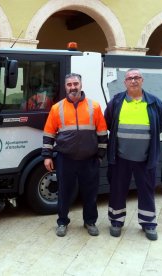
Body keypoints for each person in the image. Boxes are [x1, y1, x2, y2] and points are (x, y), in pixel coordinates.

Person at [104, 69, 162, 241]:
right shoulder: (116, 101)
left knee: (146, 191)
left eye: (136, 78)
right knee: (118, 190)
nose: (133, 81)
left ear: (142, 80)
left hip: (145, 158)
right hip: (120, 158)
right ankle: (116, 221)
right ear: (125, 82)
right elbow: (108, 121)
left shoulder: (154, 102)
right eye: (130, 78)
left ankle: (148, 224)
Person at [42, 73, 108, 237]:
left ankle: (90, 221)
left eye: (75, 84)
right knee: (64, 192)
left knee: (90, 193)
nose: (73, 87)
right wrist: (47, 156)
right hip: (66, 158)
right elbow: (49, 133)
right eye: (69, 84)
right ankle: (62, 222)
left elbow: (102, 132)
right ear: (65, 87)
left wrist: (100, 154)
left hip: (89, 159)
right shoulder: (57, 108)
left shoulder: (94, 106)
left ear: (81, 85)